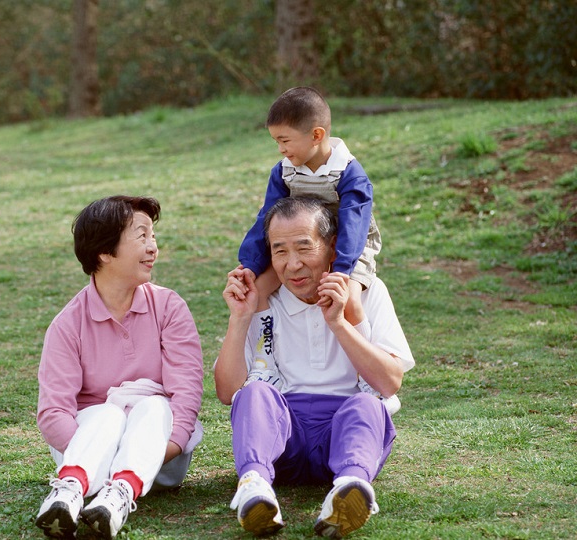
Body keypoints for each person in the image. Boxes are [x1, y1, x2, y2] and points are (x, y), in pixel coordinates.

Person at [216, 196, 414, 538]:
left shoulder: (366, 293)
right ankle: (255, 487)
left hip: (345, 433)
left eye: (304, 248)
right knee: (255, 394)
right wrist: (240, 318)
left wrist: (339, 322)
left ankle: (349, 491)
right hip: (283, 435)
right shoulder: (264, 302)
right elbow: (226, 391)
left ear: (333, 247)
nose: (292, 264)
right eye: (280, 251)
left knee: (368, 406)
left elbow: (389, 382)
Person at [34, 195, 204, 540]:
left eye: (153, 236)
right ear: (105, 253)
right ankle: (70, 491)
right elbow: (53, 413)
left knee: (155, 403)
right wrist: (102, 453)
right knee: (107, 416)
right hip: (88, 455)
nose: (153, 247)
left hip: (160, 456)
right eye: (141, 237)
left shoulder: (169, 308)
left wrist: (155, 450)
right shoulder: (68, 324)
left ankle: (120, 493)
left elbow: (185, 396)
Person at [237, 87, 396, 410]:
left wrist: (341, 270)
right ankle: (264, 365)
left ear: (316, 135)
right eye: (276, 142)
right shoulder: (283, 171)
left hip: (351, 248)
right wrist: (250, 265)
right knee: (258, 289)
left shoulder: (349, 171)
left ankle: (369, 379)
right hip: (304, 242)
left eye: (285, 140)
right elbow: (266, 217)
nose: (281, 149)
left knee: (347, 298)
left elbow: (354, 224)